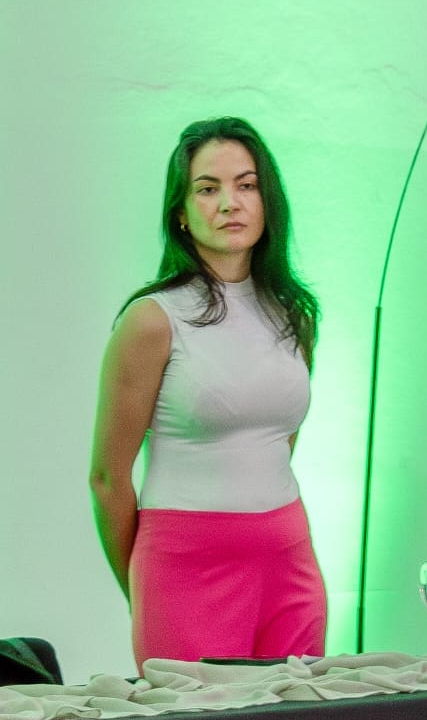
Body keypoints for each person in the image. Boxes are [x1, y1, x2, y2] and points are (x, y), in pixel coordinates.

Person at [90, 116, 326, 670]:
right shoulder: (152, 320)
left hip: (290, 560)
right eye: (207, 188)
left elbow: (279, 440)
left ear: (268, 201)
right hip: (186, 569)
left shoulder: (295, 314)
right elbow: (107, 479)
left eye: (247, 185)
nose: (229, 203)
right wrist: (145, 589)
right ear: (181, 212)